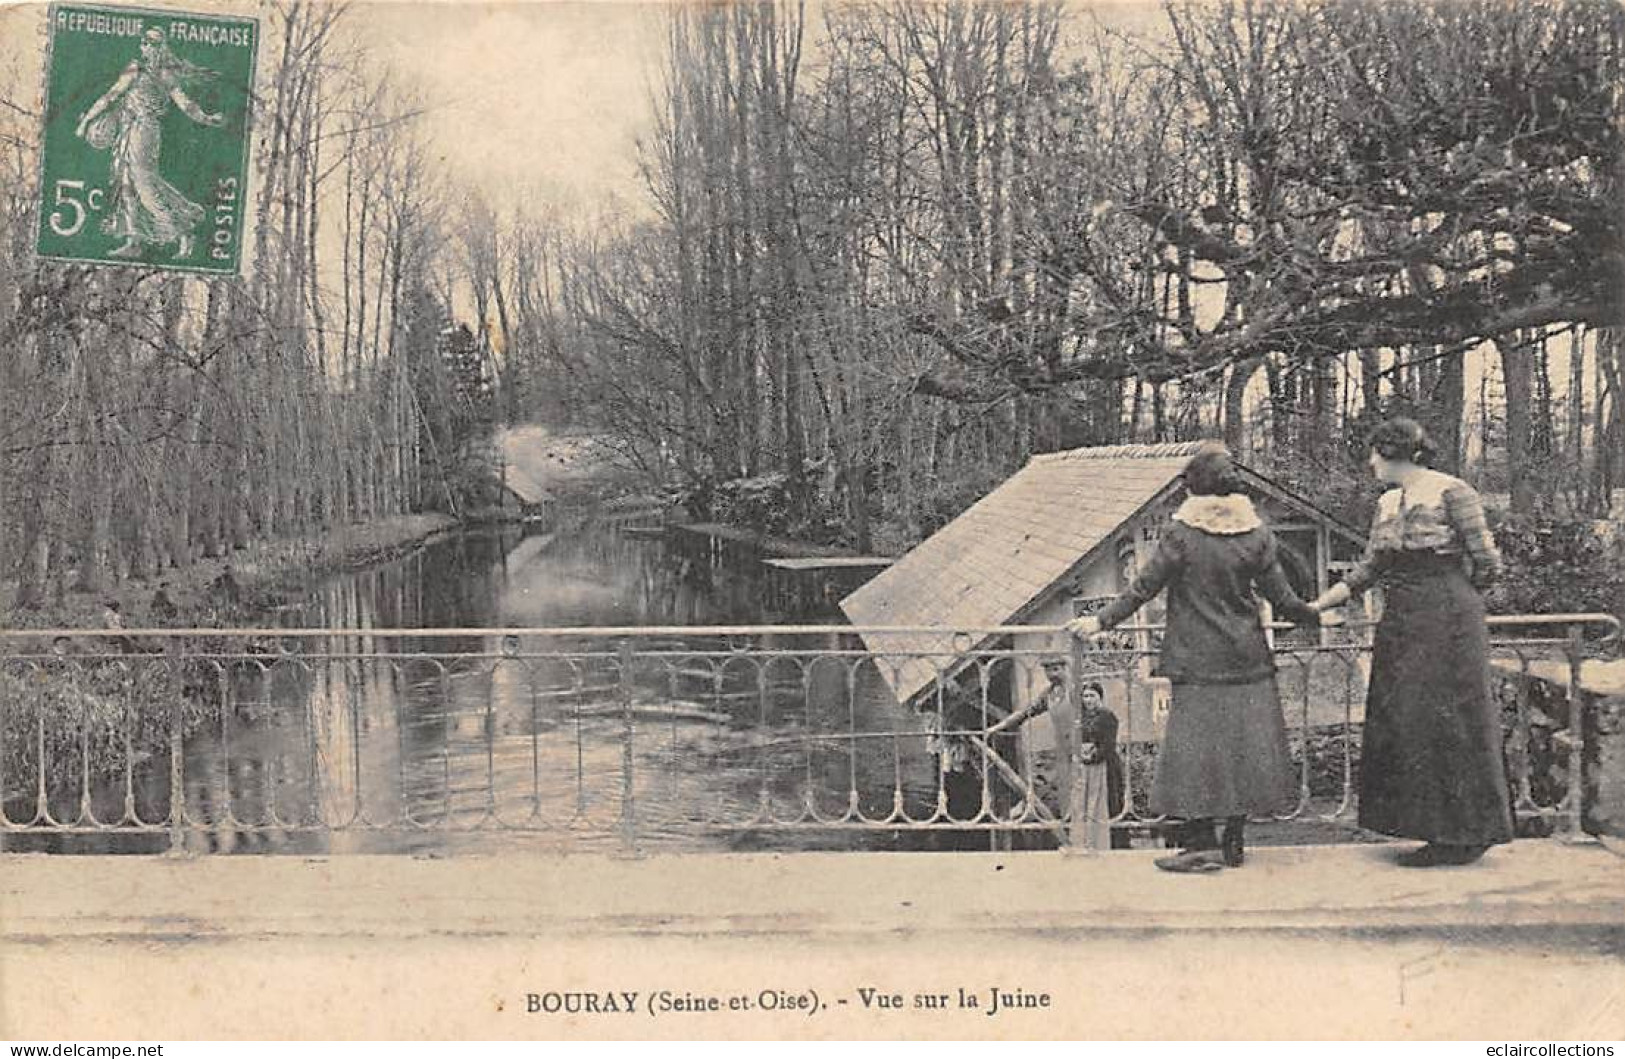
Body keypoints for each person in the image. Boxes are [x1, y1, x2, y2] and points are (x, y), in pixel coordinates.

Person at [1069, 444, 1321, 872]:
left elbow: (1143, 587)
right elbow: (1284, 599)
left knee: (1196, 754)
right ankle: (1234, 837)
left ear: (1194, 490)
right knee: (1241, 749)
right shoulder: (1258, 535)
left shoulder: (1182, 535)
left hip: (1196, 660)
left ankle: (1201, 845)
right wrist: (1317, 613)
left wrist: (1100, 623)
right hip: (1247, 658)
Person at [1307, 418, 1512, 867]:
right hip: (1402, 619)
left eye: (1375, 454)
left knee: (1454, 720)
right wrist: (1319, 606)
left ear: (1397, 453)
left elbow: (1487, 560)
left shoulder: (1453, 492)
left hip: (1450, 617)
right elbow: (1369, 568)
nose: (1371, 463)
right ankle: (1432, 831)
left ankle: (1465, 834)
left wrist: (1455, 600)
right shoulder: (1386, 503)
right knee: (1409, 719)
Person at [75, 28, 223, 260]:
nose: (145, 47)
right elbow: (111, 96)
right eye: (144, 42)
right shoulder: (135, 68)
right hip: (127, 129)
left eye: (151, 43)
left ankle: (184, 232)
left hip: (145, 132)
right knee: (126, 183)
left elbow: (185, 104)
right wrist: (86, 121)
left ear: (160, 47)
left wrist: (206, 118)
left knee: (145, 185)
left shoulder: (165, 75)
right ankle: (134, 240)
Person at [992, 664, 1129, 850]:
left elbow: (1097, 719)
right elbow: (1026, 712)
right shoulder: (1049, 694)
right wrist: (997, 727)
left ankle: (1108, 844)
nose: (1052, 674)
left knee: (1100, 798)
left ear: (1065, 669)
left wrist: (1091, 749)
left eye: (1056, 669)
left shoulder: (1076, 691)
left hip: (1091, 754)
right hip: (1066, 756)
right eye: (1048, 670)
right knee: (1073, 799)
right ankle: (1079, 842)